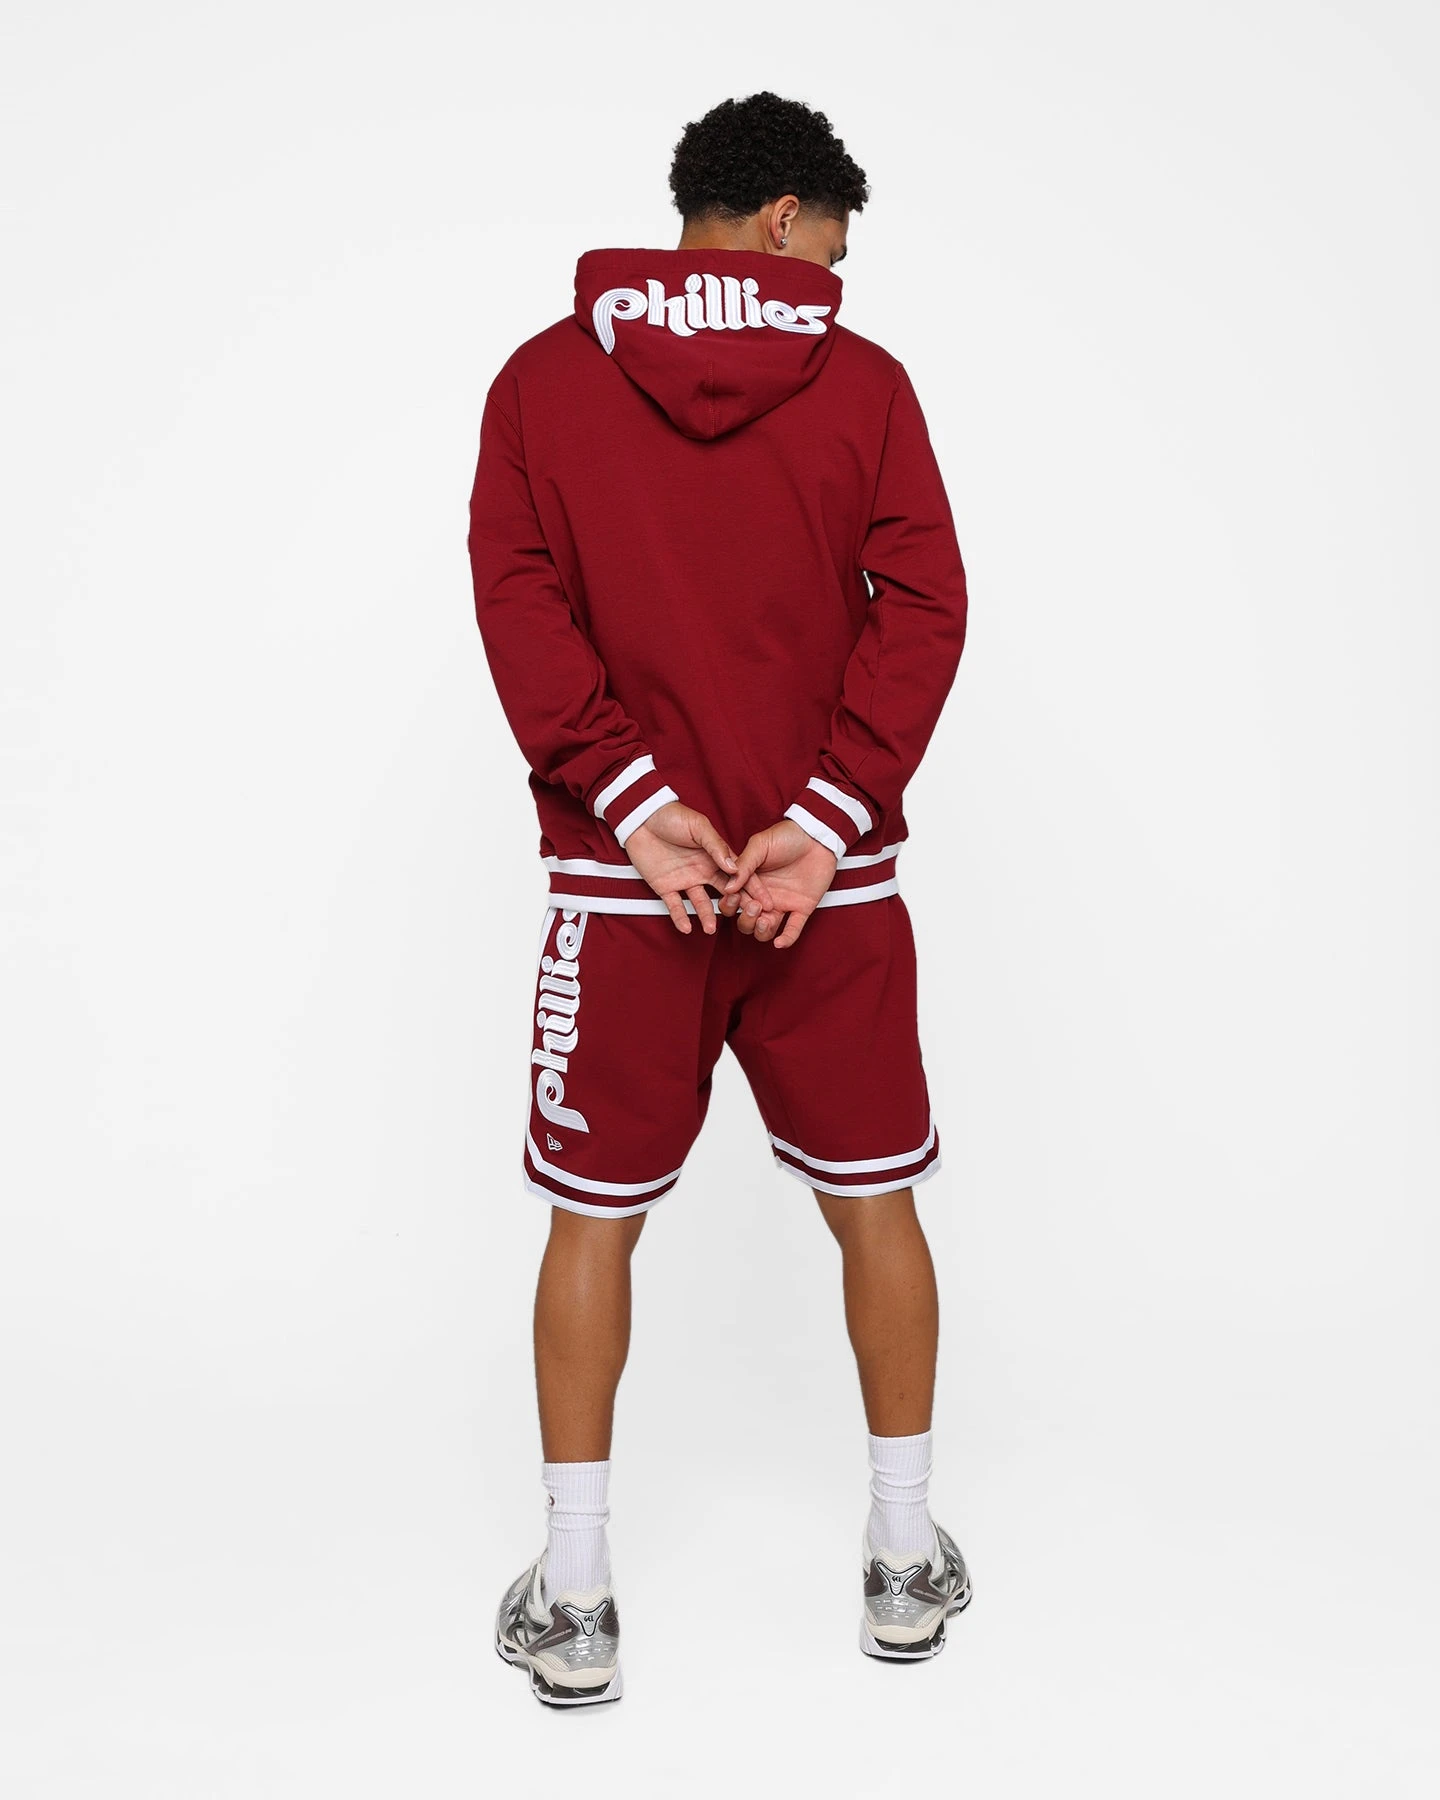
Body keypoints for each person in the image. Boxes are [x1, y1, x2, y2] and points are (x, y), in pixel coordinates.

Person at [469, 91, 970, 1707]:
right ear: (782, 217)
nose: (835, 277)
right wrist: (820, 816)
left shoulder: (542, 381)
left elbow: (518, 600)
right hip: (830, 884)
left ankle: (577, 1592)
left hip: (630, 887)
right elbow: (925, 605)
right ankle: (904, 1557)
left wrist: (631, 800)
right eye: (834, 244)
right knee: (876, 1203)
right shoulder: (864, 382)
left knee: (591, 1219)